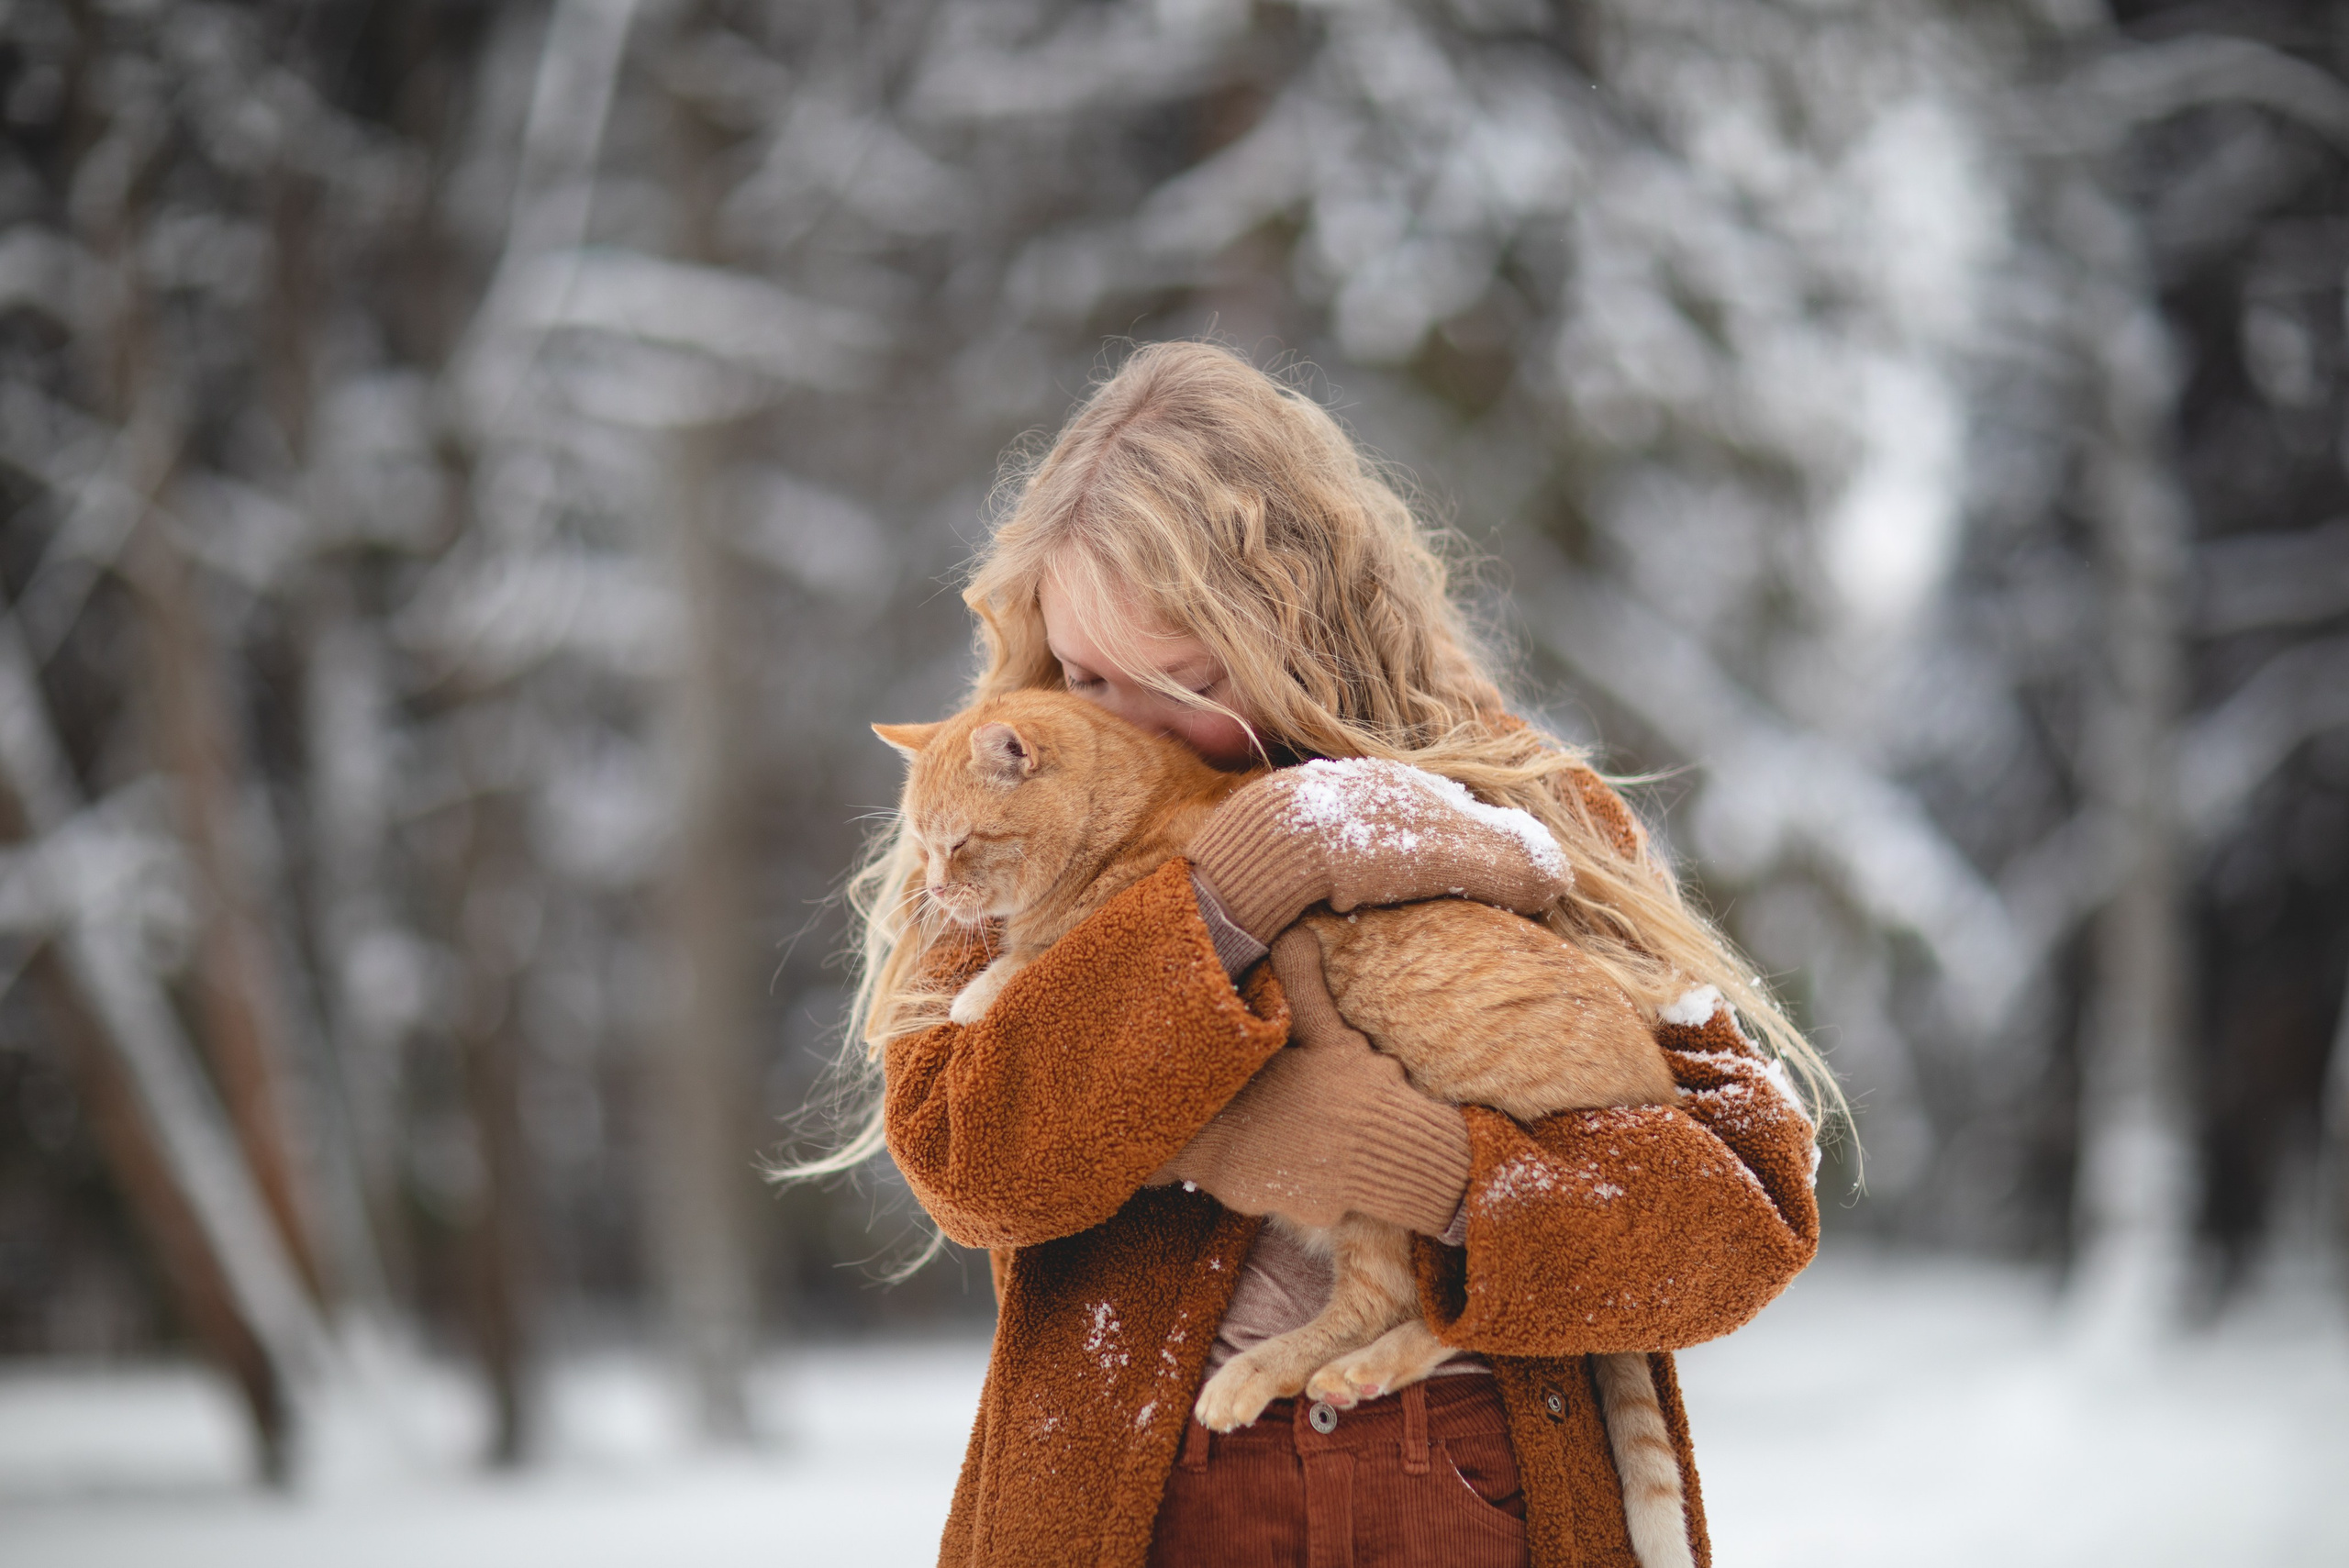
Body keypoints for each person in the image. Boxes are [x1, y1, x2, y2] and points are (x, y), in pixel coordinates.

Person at [808, 341, 1828, 1567]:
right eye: (1083, 671)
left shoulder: (1507, 802)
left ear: (1293, 617)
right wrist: (1239, 883)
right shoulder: (1008, 830)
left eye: (1182, 675)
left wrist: (1442, 1172)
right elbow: (973, 1162)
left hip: (1469, 1476)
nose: (1120, 722)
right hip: (1158, 1491)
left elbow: (1740, 1222)